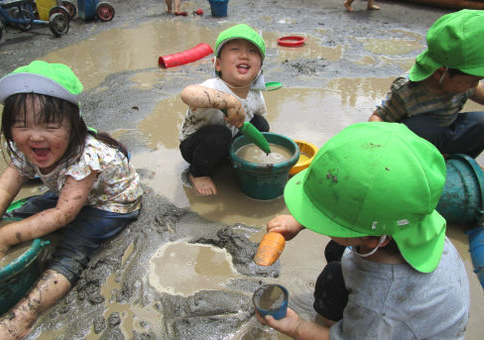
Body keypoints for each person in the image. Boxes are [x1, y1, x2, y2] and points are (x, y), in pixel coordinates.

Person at [0, 60, 143, 340]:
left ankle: (20, 320)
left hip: (110, 203)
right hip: (69, 192)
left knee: (72, 245)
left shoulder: (84, 155)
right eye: (21, 124)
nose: (35, 135)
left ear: (73, 125)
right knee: (21, 213)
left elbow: (63, 214)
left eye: (50, 125)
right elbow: (3, 193)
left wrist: (4, 238)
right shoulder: (22, 147)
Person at [257, 122, 470, 339]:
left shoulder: (378, 308)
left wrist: (295, 326)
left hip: (386, 325)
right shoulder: (411, 219)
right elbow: (359, 208)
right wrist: (300, 221)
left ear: (372, 240)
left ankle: (336, 324)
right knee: (336, 250)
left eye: (321, 217)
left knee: (332, 276)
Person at [368, 9, 484, 159]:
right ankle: (424, 163)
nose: (473, 85)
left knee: (481, 123)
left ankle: (457, 164)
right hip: (413, 148)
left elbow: (476, 90)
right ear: (440, 73)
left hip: (445, 137)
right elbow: (377, 118)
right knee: (425, 126)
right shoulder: (406, 91)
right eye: (471, 81)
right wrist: (376, 146)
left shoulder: (464, 84)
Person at [180, 24, 269, 195]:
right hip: (198, 146)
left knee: (261, 124)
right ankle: (198, 173)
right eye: (235, 49)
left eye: (252, 51)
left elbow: (259, 124)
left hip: (230, 139)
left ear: (259, 69)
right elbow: (187, 93)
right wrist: (228, 102)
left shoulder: (256, 94)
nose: (244, 55)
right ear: (218, 64)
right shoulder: (212, 86)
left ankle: (234, 157)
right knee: (219, 135)